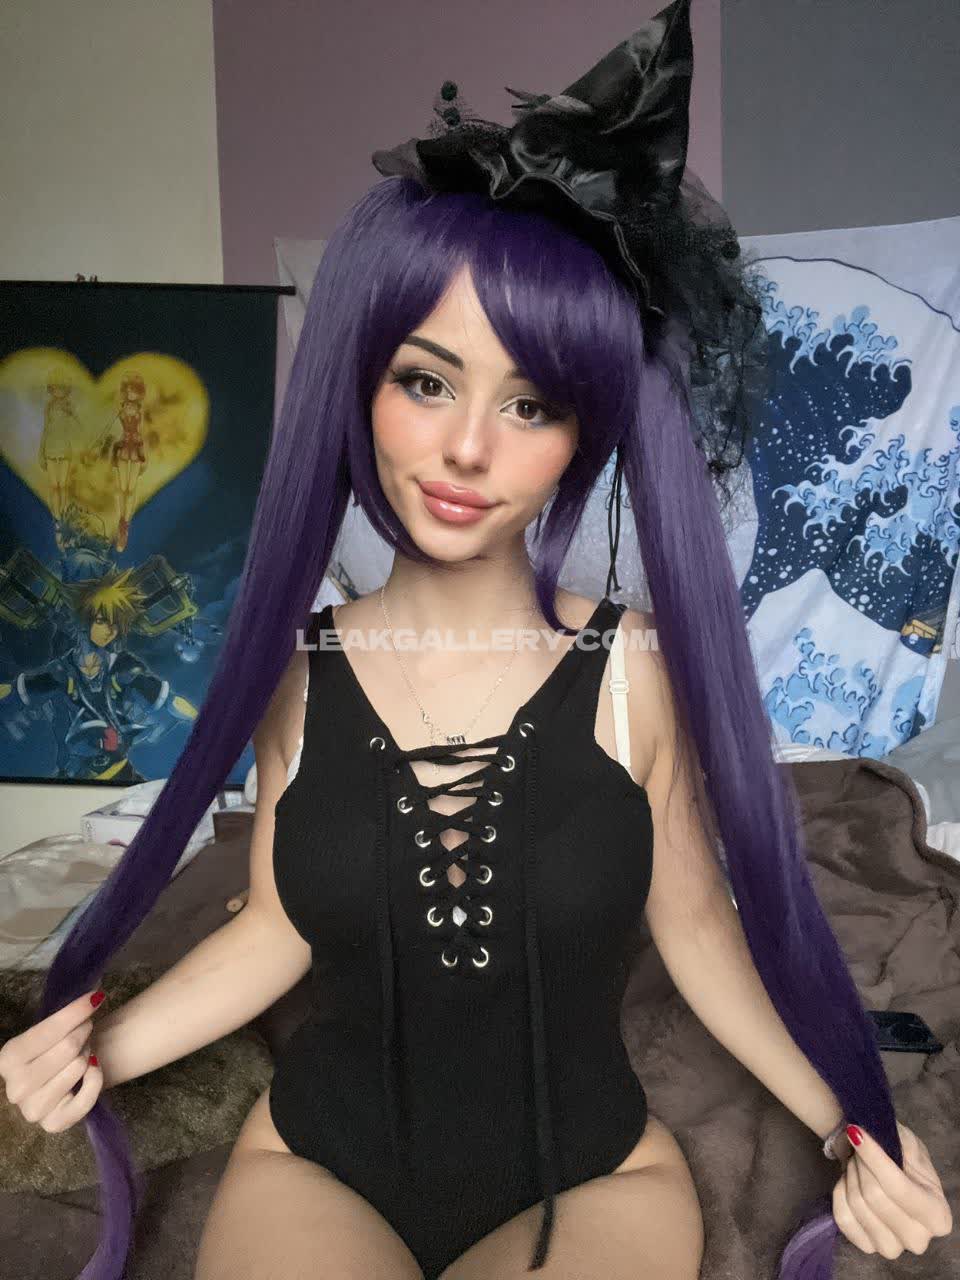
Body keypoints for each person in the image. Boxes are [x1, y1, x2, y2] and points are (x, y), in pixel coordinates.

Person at [0, 3, 951, 1279]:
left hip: (590, 1170)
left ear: (583, 433)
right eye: (427, 379)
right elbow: (276, 925)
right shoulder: (300, 672)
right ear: (363, 385)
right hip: (318, 1156)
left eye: (531, 402)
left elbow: (698, 931)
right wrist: (92, 1051)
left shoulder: (634, 673)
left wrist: (853, 1118)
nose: (465, 448)